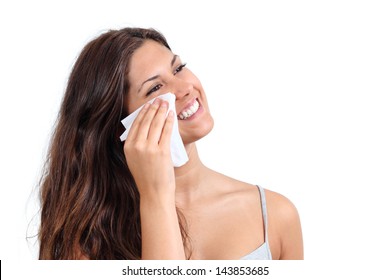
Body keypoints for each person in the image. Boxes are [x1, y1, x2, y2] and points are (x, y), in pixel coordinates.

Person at [38, 27, 303, 260]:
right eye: (155, 88)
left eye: (178, 68)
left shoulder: (276, 215)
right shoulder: (87, 237)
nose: (184, 88)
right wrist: (156, 197)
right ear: (121, 126)